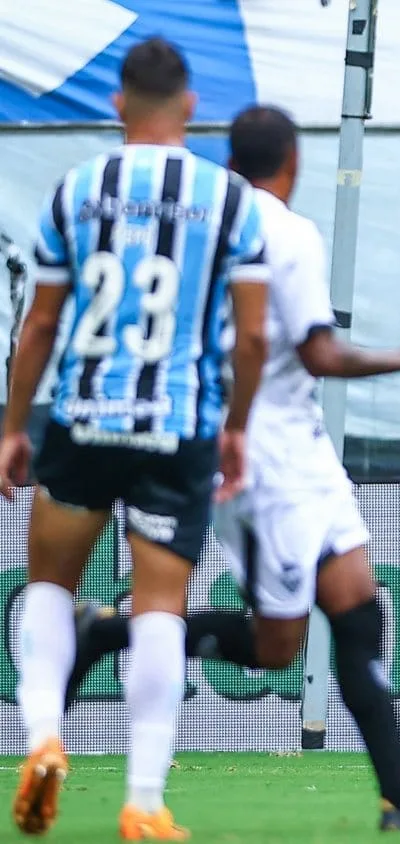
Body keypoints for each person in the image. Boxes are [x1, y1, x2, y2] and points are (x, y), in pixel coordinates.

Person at [66, 105, 400, 833]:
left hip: (305, 450)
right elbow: (320, 353)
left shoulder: (205, 226)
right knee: (276, 647)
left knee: (359, 611)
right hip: (255, 461)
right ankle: (106, 635)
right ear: (293, 161)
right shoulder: (282, 231)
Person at [4, 38, 271, 839]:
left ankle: (43, 735)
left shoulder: (78, 190)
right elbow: (252, 340)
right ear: (190, 107)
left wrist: (13, 426)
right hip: (179, 422)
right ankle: (144, 801)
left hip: (85, 417)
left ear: (118, 106)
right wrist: (236, 428)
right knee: (160, 607)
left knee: (49, 582)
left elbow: (40, 322)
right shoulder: (230, 199)